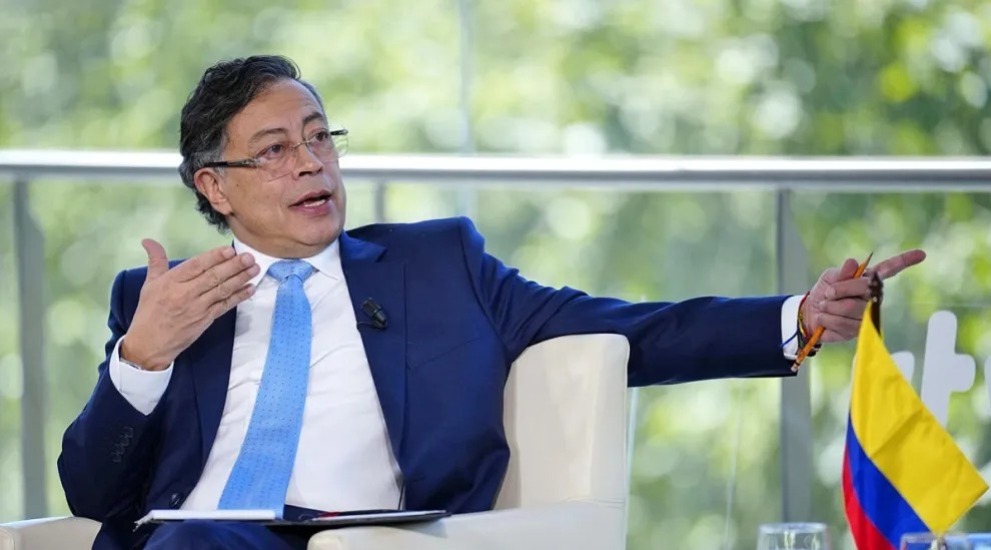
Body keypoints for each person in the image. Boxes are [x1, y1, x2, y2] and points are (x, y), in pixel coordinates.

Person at [57, 55, 925, 550]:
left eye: (320, 138)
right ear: (215, 187)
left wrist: (794, 316)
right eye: (276, 151)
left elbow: (626, 330)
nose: (311, 163)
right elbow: (94, 493)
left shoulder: (437, 266)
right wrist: (143, 358)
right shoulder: (157, 301)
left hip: (366, 537)